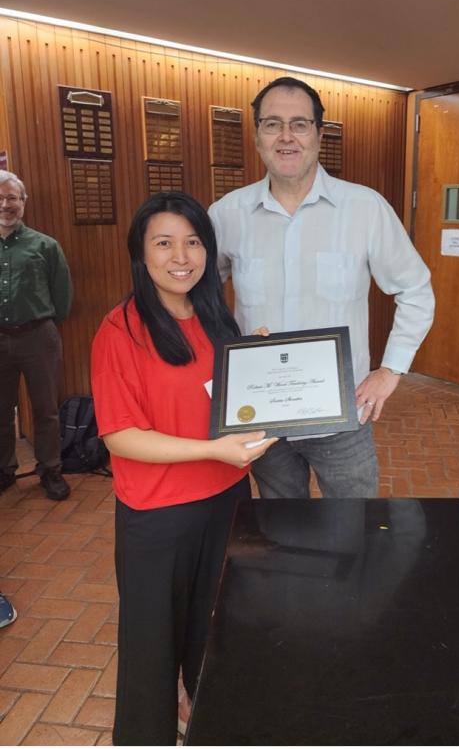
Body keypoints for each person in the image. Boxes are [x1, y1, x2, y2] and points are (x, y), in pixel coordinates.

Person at [91, 191, 276, 745]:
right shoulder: (119, 331)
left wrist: (260, 358)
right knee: (152, 652)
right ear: (140, 254)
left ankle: (208, 723)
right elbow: (120, 437)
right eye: (164, 242)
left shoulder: (217, 317)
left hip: (227, 502)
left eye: (193, 241)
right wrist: (212, 452)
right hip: (158, 516)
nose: (181, 255)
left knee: (215, 634)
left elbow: (230, 401)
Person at [209, 77, 435, 499]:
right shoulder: (227, 214)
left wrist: (390, 371)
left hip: (341, 417)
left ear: (318, 134)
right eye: (273, 124)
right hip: (262, 415)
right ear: (257, 134)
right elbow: (200, 296)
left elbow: (416, 290)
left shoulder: (364, 208)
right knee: (281, 530)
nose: (286, 137)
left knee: (356, 529)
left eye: (299, 124)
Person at [0, 170, 73, 501]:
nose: (5, 205)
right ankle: (4, 470)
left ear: (23, 202)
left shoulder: (45, 245)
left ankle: (50, 469)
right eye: (0, 199)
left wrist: (43, 325)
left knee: (45, 409)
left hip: (38, 336)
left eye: (12, 198)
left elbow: (63, 295)